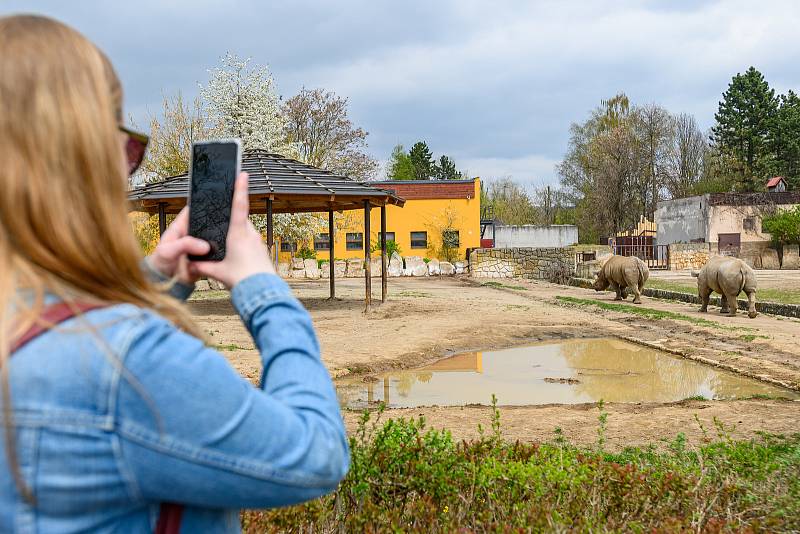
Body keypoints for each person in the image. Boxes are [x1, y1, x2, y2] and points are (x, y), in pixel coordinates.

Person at [0, 14, 349, 532]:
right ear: (88, 158)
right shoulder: (130, 366)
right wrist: (264, 289)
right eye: (127, 148)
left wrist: (157, 277)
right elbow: (314, 452)